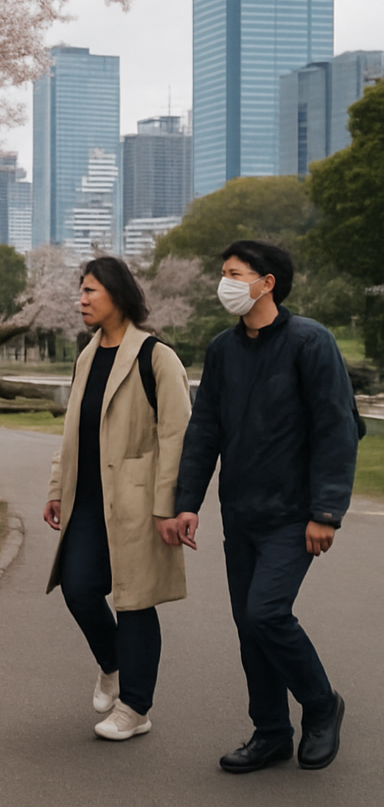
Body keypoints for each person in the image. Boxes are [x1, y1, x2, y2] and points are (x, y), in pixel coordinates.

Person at [159, 240, 357, 773]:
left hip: (293, 515)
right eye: (222, 273)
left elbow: (336, 429)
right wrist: (187, 503)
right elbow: (205, 431)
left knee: (266, 612)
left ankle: (320, 705)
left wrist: (326, 511)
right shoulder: (223, 349)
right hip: (240, 515)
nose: (224, 283)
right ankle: (270, 732)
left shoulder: (310, 342)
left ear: (267, 282)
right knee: (251, 628)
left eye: (234, 273)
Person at [45, 256, 192, 741]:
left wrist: (168, 505)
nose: (81, 300)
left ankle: (135, 707)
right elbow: (72, 430)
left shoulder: (156, 356)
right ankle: (112, 665)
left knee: (134, 600)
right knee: (79, 587)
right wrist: (56, 488)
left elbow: (176, 435)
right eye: (81, 291)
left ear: (117, 294)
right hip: (86, 499)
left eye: (90, 291)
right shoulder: (86, 354)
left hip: (137, 502)